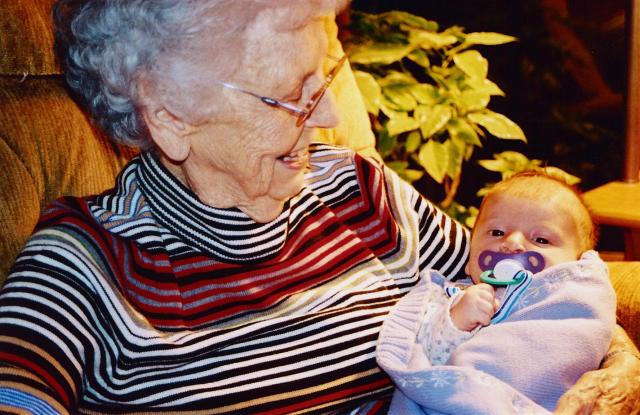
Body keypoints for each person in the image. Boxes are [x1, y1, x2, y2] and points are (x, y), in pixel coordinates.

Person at [0, 1, 637, 413]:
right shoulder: (84, 264)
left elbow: (528, 288)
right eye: (291, 96)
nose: (330, 114)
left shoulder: (359, 190)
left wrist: (617, 366)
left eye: (324, 79)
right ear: (170, 116)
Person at [376, 171, 617, 413]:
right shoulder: (452, 298)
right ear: (469, 260)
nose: (512, 243)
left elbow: (585, 332)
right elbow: (427, 359)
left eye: (541, 240)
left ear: (576, 263)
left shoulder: (572, 299)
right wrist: (455, 322)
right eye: (497, 232)